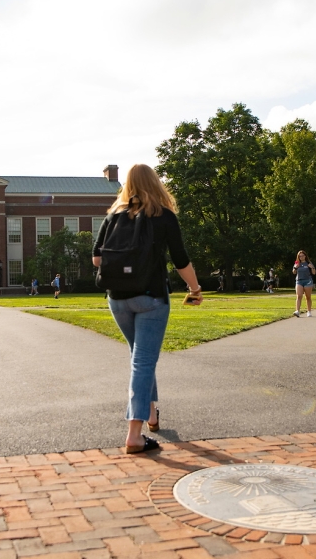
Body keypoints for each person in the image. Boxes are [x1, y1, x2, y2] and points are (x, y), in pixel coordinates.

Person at [93, 164, 201, 454]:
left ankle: (151, 414)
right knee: (143, 361)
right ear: (156, 183)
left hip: (117, 298)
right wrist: (194, 289)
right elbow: (180, 259)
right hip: (151, 297)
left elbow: (96, 260)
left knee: (140, 357)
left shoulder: (113, 216)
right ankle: (134, 434)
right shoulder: (163, 216)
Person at [291, 251, 316, 317]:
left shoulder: (308, 263)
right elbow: (294, 272)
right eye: (300, 256)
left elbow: (314, 273)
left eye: (302, 256)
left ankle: (309, 311)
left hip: (308, 281)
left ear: (305, 256)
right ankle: (297, 311)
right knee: (299, 296)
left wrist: (312, 267)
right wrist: (295, 267)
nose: (301, 257)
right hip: (299, 281)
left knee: (308, 297)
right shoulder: (297, 263)